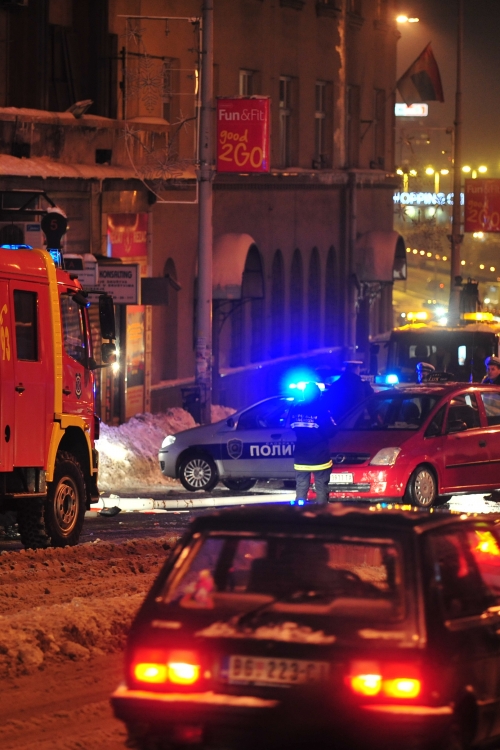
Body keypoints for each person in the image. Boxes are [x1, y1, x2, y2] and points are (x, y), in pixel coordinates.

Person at [289, 382, 336, 506]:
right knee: (321, 487)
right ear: (318, 395)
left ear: (304, 394)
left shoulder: (296, 408)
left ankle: (300, 512)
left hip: (301, 457)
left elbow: (291, 426)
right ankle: (322, 513)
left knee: (301, 487)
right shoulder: (322, 409)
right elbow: (331, 431)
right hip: (320, 457)